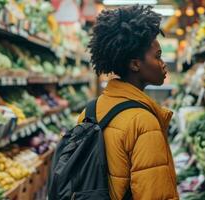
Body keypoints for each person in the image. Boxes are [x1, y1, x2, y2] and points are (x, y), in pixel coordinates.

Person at [77, 5, 179, 200]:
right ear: (135, 64)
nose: (163, 63)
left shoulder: (90, 111)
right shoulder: (143, 122)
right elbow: (154, 194)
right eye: (157, 56)